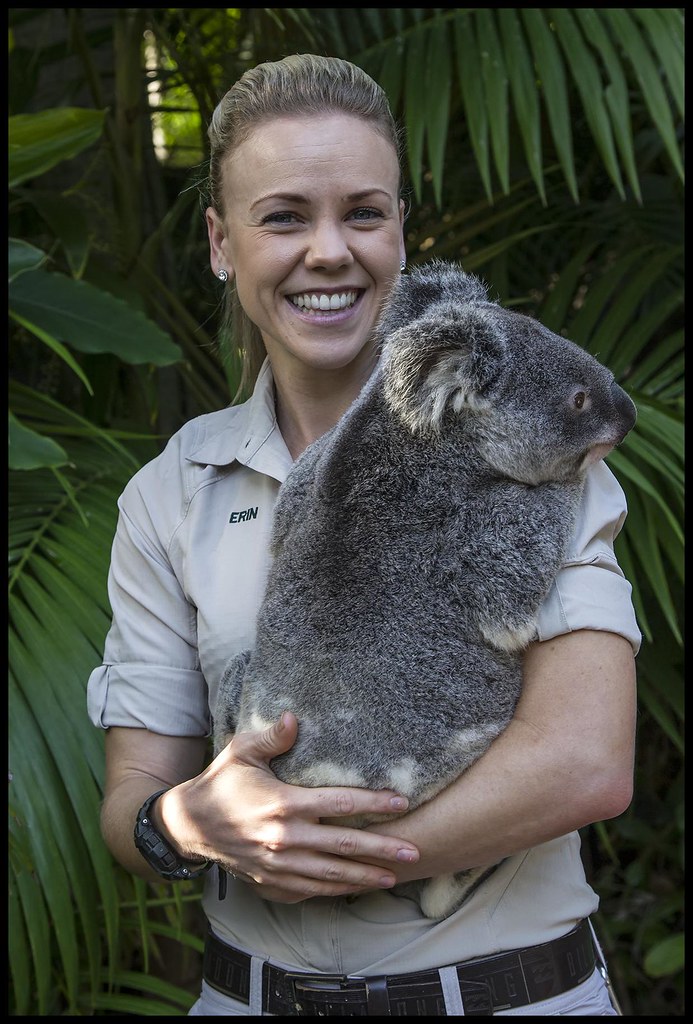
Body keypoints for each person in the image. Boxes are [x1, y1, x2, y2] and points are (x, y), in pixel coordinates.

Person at [87, 53, 640, 1016]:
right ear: (223, 243)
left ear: (399, 233)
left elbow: (585, 765)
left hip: (510, 994)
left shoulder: (538, 447)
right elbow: (135, 792)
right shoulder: (171, 491)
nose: (329, 251)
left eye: (364, 213)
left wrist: (318, 856)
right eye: (285, 216)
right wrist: (184, 822)